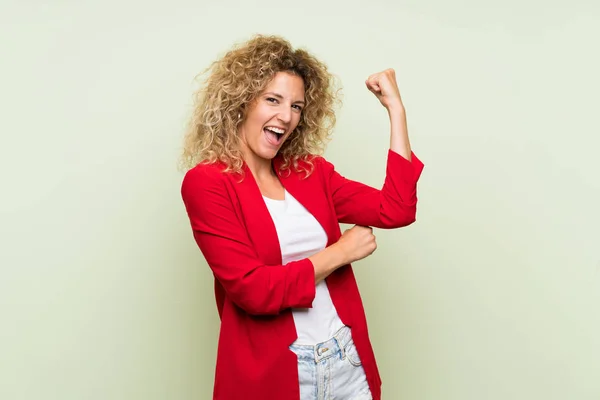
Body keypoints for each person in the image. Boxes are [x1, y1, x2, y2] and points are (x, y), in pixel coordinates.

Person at [180, 34, 424, 400]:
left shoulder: (309, 172)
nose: (286, 116)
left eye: (296, 106)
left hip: (346, 361)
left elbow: (397, 208)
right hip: (277, 373)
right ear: (241, 102)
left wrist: (396, 110)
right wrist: (340, 253)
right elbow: (253, 290)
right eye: (273, 100)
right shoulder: (207, 184)